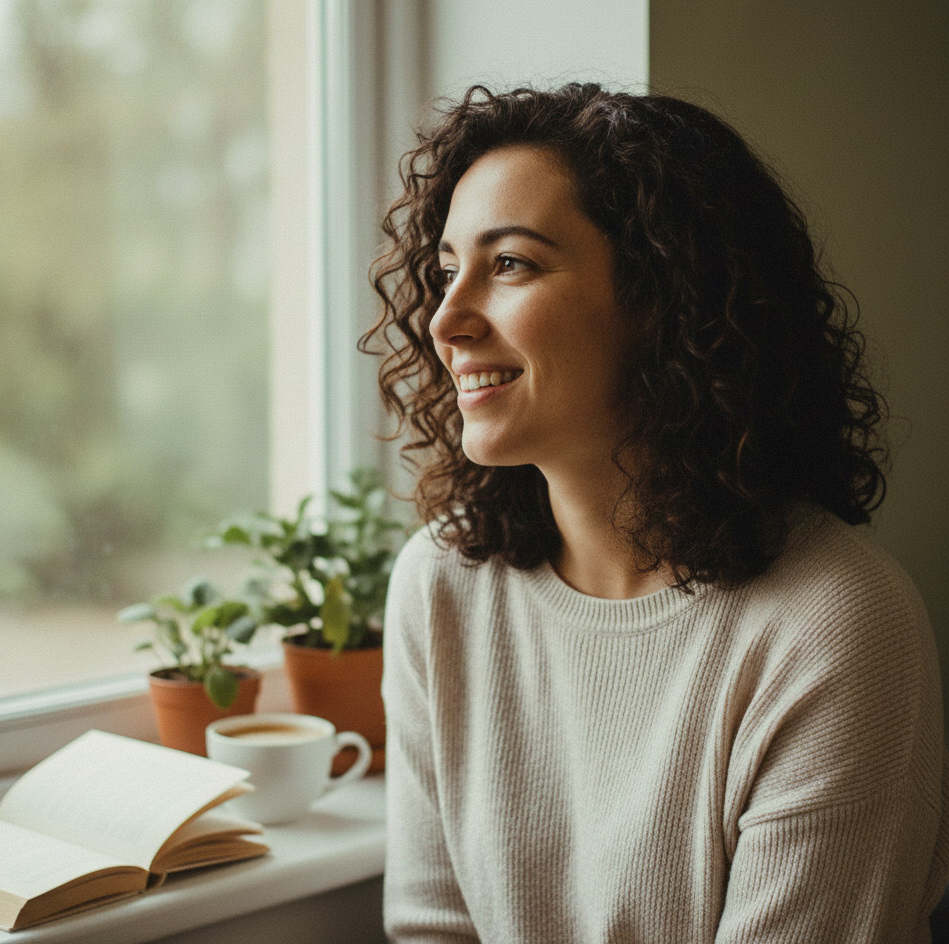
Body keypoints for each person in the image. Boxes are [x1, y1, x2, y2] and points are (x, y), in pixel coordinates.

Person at [360, 83, 949, 942]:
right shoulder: (441, 585)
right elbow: (432, 931)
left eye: (511, 264)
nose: (446, 319)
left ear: (663, 301)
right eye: (447, 271)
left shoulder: (834, 625)